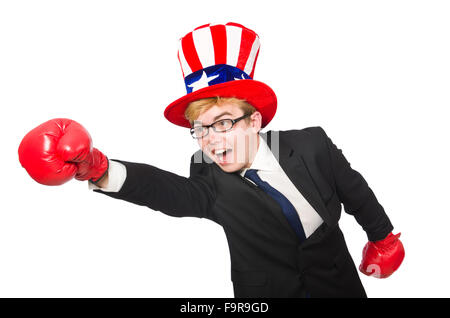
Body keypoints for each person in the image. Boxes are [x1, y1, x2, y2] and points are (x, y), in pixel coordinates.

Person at [18, 22, 404, 298]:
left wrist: (382, 236)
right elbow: (169, 193)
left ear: (255, 121)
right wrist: (100, 168)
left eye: (221, 123)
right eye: (199, 129)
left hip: (338, 286)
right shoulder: (207, 175)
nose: (210, 141)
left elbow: (355, 192)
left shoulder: (311, 145)